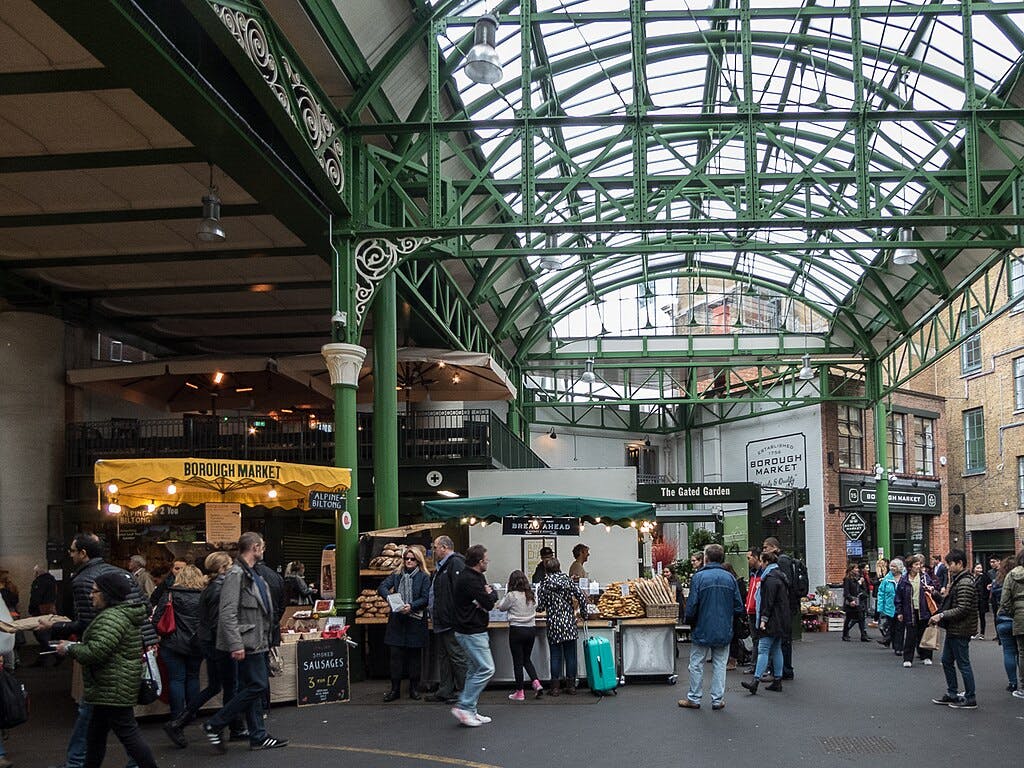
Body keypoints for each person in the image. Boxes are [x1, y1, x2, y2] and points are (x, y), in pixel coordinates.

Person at [40, 533, 158, 768]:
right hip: (114, 676)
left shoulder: (103, 609)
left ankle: (79, 763)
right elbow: (145, 606)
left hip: (111, 680)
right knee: (97, 731)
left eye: (73, 551)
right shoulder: (120, 576)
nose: (91, 595)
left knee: (124, 732)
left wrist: (66, 640)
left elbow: (94, 645)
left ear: (84, 553)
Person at [202, 532, 287, 752]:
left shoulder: (251, 573)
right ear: (255, 547)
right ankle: (215, 723)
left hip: (258, 639)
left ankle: (258, 735)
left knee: (253, 686)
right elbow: (227, 612)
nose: (263, 550)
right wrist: (236, 644)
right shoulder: (236, 574)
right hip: (247, 640)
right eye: (263, 547)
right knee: (258, 685)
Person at [162, 552, 247, 747]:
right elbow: (221, 620)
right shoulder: (220, 589)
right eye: (230, 565)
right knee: (230, 686)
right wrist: (233, 643)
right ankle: (231, 727)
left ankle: (180, 722)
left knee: (215, 686)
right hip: (219, 644)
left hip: (208, 642)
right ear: (223, 568)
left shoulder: (209, 587)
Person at [678, 544, 744, 711]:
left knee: (696, 663)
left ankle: (694, 697)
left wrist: (689, 622)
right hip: (723, 628)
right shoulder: (729, 578)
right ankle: (717, 699)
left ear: (706, 558)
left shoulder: (699, 577)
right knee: (720, 664)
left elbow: (692, 605)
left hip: (702, 627)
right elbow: (738, 607)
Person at [152, 564, 205, 747]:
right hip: (196, 644)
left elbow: (157, 618)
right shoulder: (204, 596)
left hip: (172, 643)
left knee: (176, 679)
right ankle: (190, 713)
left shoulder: (170, 594)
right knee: (193, 677)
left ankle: (177, 716)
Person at [451, 544, 497, 727]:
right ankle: (464, 706)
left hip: (470, 629)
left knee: (474, 670)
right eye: (486, 560)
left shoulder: (474, 577)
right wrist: (489, 594)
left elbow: (485, 600)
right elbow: (489, 603)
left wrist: (486, 596)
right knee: (487, 669)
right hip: (471, 631)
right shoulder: (470, 580)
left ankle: (471, 710)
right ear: (479, 562)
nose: (488, 562)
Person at [378, 547, 430, 702]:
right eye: (406, 558)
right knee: (395, 657)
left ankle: (414, 689)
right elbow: (382, 587)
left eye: (412, 559)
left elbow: (426, 598)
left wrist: (411, 606)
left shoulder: (424, 577)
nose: (408, 561)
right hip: (397, 621)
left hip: (415, 621)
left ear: (418, 561)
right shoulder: (396, 574)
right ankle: (395, 690)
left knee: (414, 657)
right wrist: (391, 598)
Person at [929, 549, 978, 709]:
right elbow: (953, 602)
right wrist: (936, 595)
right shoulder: (959, 580)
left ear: (960, 564)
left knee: (963, 663)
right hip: (955, 628)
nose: (948, 567)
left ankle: (970, 698)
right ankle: (952, 693)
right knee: (947, 661)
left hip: (961, 629)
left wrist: (941, 615)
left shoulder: (965, 582)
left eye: (950, 564)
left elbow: (962, 608)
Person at [537, 557, 589, 697]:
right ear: (559, 567)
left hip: (554, 623)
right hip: (568, 622)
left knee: (555, 656)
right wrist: (584, 613)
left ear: (546, 569)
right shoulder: (568, 581)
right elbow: (582, 597)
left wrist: (545, 606)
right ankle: (571, 686)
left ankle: (555, 688)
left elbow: (540, 606)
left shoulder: (544, 584)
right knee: (570, 655)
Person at [425, 536, 467, 704]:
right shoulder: (443, 566)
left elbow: (460, 591)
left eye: (435, 547)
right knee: (444, 656)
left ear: (444, 547)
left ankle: (467, 693)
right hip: (442, 619)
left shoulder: (455, 563)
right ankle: (445, 690)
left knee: (456, 656)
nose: (434, 551)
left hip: (450, 619)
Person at [741, 550, 787, 695]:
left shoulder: (769, 578)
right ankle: (778, 680)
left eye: (761, 561)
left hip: (771, 620)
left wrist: (763, 619)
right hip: (781, 619)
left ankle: (755, 681)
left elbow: (768, 601)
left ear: (766, 562)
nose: (759, 564)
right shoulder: (781, 576)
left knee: (763, 648)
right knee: (776, 649)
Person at [496, 570, 543, 701]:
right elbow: (536, 606)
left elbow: (501, 607)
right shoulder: (530, 595)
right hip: (531, 630)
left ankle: (520, 692)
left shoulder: (511, 595)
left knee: (518, 662)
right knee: (526, 659)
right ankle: (536, 683)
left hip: (517, 630)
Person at [761, 537, 797, 679]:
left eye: (765, 548)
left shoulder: (781, 562)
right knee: (780, 643)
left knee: (781, 643)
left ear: (774, 548)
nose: (764, 551)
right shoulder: (785, 561)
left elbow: (781, 586)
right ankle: (780, 671)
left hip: (782, 609)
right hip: (785, 608)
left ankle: (782, 671)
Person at [895, 554, 934, 668]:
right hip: (909, 611)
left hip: (924, 610)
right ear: (910, 567)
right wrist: (899, 612)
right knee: (910, 635)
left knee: (924, 634)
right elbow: (898, 597)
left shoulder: (924, 577)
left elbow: (933, 587)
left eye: (919, 564)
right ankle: (908, 658)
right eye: (916, 564)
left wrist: (931, 589)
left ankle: (926, 656)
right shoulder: (904, 580)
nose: (919, 566)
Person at [998, 549, 1024, 698]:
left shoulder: (1011, 575)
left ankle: (1021, 686)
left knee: (1021, 653)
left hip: (1019, 617)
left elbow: (1004, 601)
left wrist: (1014, 612)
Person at [991, 555, 1019, 693]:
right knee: (1021, 652)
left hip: (1003, 620)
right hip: (1019, 619)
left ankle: (1012, 683)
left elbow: (996, 599)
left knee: (1008, 652)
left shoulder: (998, 582)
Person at [29, 564, 59, 666]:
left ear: (37, 573)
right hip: (51, 610)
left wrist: (31, 609)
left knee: (42, 636)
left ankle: (58, 654)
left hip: (40, 612)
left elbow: (35, 598)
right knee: (45, 636)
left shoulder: (39, 582)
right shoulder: (52, 580)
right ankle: (43, 659)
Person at [876, 559, 904, 652]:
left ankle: (898, 648)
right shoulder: (887, 579)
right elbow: (881, 593)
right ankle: (894, 644)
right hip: (890, 607)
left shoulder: (904, 577)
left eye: (894, 566)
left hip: (902, 606)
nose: (892, 568)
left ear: (899, 567)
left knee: (900, 628)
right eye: (891, 566)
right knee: (892, 627)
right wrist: (880, 607)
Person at [742, 547, 762, 674]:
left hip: (758, 611)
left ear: (756, 557)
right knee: (755, 639)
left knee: (761, 640)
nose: (748, 561)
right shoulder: (752, 573)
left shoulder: (762, 573)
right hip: (751, 610)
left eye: (749, 558)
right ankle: (754, 665)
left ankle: (759, 666)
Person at [841, 563, 870, 642]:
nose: (857, 570)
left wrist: (861, 583)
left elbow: (862, 588)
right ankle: (845, 634)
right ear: (851, 569)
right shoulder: (847, 579)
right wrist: (850, 600)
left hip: (858, 600)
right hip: (851, 601)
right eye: (856, 568)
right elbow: (846, 592)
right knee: (849, 618)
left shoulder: (858, 578)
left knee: (861, 618)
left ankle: (863, 635)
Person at [972, 563, 991, 640]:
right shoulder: (971, 577)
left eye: (980, 568)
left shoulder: (984, 577)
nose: (979, 570)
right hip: (973, 599)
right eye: (978, 568)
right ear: (974, 569)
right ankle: (974, 632)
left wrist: (986, 597)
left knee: (982, 616)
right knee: (973, 616)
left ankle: (982, 633)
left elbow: (988, 587)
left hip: (981, 599)